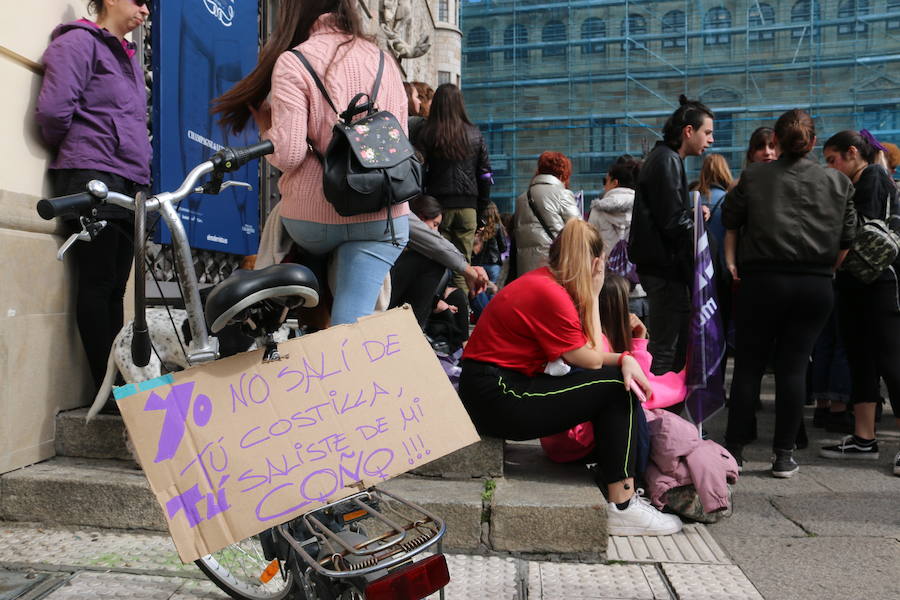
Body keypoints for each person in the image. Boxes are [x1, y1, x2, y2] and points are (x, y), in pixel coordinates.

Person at [459, 220, 682, 536]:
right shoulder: (550, 293)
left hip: (497, 387)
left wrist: (623, 358)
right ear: (595, 263)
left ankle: (620, 493)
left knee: (615, 381)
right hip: (497, 393)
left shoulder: (544, 283)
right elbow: (589, 357)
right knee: (617, 387)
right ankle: (622, 504)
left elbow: (588, 355)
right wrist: (596, 297)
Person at [213, 0, 409, 326]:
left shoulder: (295, 61)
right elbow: (399, 143)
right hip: (382, 213)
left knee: (281, 218)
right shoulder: (386, 62)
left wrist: (266, 127)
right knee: (354, 317)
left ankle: (269, 299)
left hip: (314, 223)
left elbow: (289, 155)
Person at [722, 109, 855, 478]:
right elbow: (847, 241)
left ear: (776, 142)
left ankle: (734, 451)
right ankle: (783, 455)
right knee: (794, 368)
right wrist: (826, 270)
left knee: (748, 366)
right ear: (812, 142)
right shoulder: (838, 182)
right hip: (814, 284)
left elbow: (731, 220)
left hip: (762, 280)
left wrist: (733, 263)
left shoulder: (753, 175)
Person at [35, 0, 152, 392]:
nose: (146, 11)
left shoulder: (129, 57)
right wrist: (82, 150)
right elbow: (53, 113)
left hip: (128, 179)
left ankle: (119, 386)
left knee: (118, 288)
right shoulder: (78, 43)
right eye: (140, 1)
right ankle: (112, 389)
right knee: (98, 282)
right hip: (92, 175)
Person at [819, 130, 900, 475]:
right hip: (857, 284)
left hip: (881, 283)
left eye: (833, 160)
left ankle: (868, 436)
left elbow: (859, 232)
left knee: (891, 361)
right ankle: (863, 437)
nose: (831, 167)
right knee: (861, 358)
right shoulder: (859, 180)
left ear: (853, 153)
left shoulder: (873, 177)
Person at [629, 95, 714, 376]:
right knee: (667, 348)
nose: (710, 140)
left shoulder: (665, 158)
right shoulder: (667, 160)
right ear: (688, 131)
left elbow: (670, 215)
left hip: (662, 267)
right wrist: (701, 240)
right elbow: (672, 222)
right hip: (665, 269)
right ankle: (658, 414)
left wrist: (691, 215)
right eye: (707, 132)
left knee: (669, 344)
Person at [415, 83, 492, 294]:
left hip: (436, 208)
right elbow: (485, 174)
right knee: (463, 266)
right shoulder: (475, 134)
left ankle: (440, 312)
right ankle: (461, 314)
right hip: (468, 208)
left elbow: (418, 168)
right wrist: (482, 208)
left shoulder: (428, 132)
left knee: (436, 262)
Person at [389, 195, 488, 326]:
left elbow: (439, 245)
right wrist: (469, 271)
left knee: (457, 296)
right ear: (420, 218)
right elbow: (436, 245)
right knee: (434, 261)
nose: (435, 231)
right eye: (434, 225)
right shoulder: (399, 220)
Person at [588, 155, 647, 317]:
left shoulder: (597, 210)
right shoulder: (644, 207)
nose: (604, 186)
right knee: (643, 340)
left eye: (605, 181)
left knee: (611, 340)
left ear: (615, 182)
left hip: (609, 288)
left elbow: (591, 249)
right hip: (641, 287)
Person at [513, 151, 581, 276]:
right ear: (562, 174)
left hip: (525, 271)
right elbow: (579, 231)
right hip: (553, 267)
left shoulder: (521, 199)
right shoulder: (562, 194)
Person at [470, 202, 507, 320]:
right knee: (493, 291)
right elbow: (503, 247)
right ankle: (493, 317)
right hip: (494, 264)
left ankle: (482, 315)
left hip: (479, 264)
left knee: (480, 289)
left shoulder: (478, 226)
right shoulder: (497, 226)